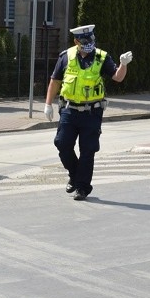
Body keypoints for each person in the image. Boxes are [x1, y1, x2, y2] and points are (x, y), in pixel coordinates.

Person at [43, 24, 132, 201]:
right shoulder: (66, 56)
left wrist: (123, 65)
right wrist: (48, 104)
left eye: (91, 40)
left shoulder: (102, 57)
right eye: (84, 41)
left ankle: (82, 188)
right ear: (76, 41)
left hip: (92, 112)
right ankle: (74, 175)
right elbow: (55, 81)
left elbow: (117, 77)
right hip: (69, 110)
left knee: (88, 150)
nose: (89, 44)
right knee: (62, 143)